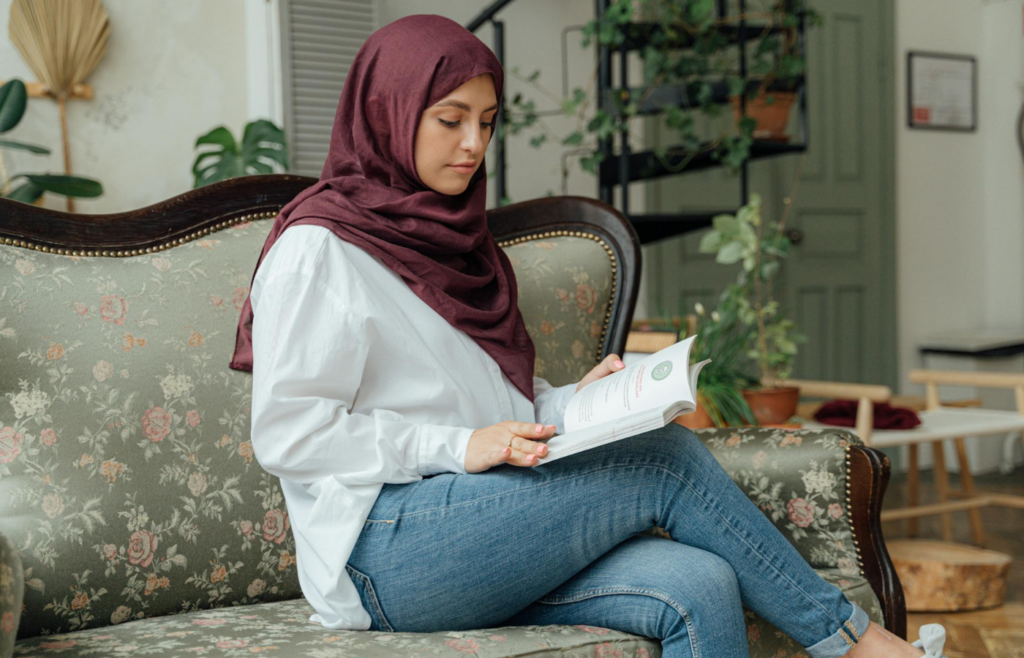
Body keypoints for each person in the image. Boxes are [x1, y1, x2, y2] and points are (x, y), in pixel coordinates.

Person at [229, 13, 946, 658]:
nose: (474, 143)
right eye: (450, 119)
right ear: (388, 112)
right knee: (662, 461)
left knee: (700, 580)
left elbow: (481, 406)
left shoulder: (460, 243)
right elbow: (288, 435)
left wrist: (574, 405)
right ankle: (861, 647)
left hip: (482, 520)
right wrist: (455, 447)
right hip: (383, 549)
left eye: (488, 120)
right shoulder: (321, 249)